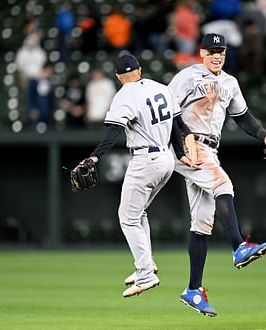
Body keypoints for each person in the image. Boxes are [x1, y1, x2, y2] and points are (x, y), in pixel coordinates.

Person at [167, 33, 266, 317]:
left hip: (211, 149)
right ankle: (239, 246)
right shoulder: (188, 77)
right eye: (211, 50)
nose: (216, 55)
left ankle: (193, 290)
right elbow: (167, 110)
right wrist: (183, 140)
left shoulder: (230, 82)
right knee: (223, 183)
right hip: (189, 145)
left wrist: (264, 136)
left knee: (202, 223)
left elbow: (243, 117)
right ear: (201, 52)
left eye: (221, 51)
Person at [75, 54, 197, 298]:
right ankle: (147, 264)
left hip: (145, 159)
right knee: (138, 213)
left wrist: (94, 157)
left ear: (119, 77)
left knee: (127, 218)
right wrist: (182, 154)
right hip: (166, 159)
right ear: (139, 70)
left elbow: (113, 132)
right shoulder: (161, 88)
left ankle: (146, 273)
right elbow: (177, 126)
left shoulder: (125, 94)